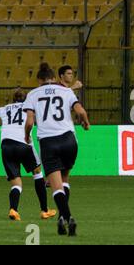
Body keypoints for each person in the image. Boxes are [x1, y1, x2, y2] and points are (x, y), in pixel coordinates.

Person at [0, 90, 56, 221]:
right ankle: (44, 210)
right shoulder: (30, 107)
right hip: (24, 144)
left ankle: (13, 209)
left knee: (16, 183)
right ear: (26, 99)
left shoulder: (5, 109)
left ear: (13, 99)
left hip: (7, 146)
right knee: (37, 174)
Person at [24, 63, 90, 236]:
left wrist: (26, 136)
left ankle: (68, 217)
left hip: (48, 142)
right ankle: (61, 217)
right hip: (69, 140)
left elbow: (30, 122)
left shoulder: (32, 94)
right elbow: (80, 111)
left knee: (55, 186)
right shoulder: (66, 91)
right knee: (65, 178)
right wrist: (86, 122)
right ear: (54, 78)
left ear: (39, 80)